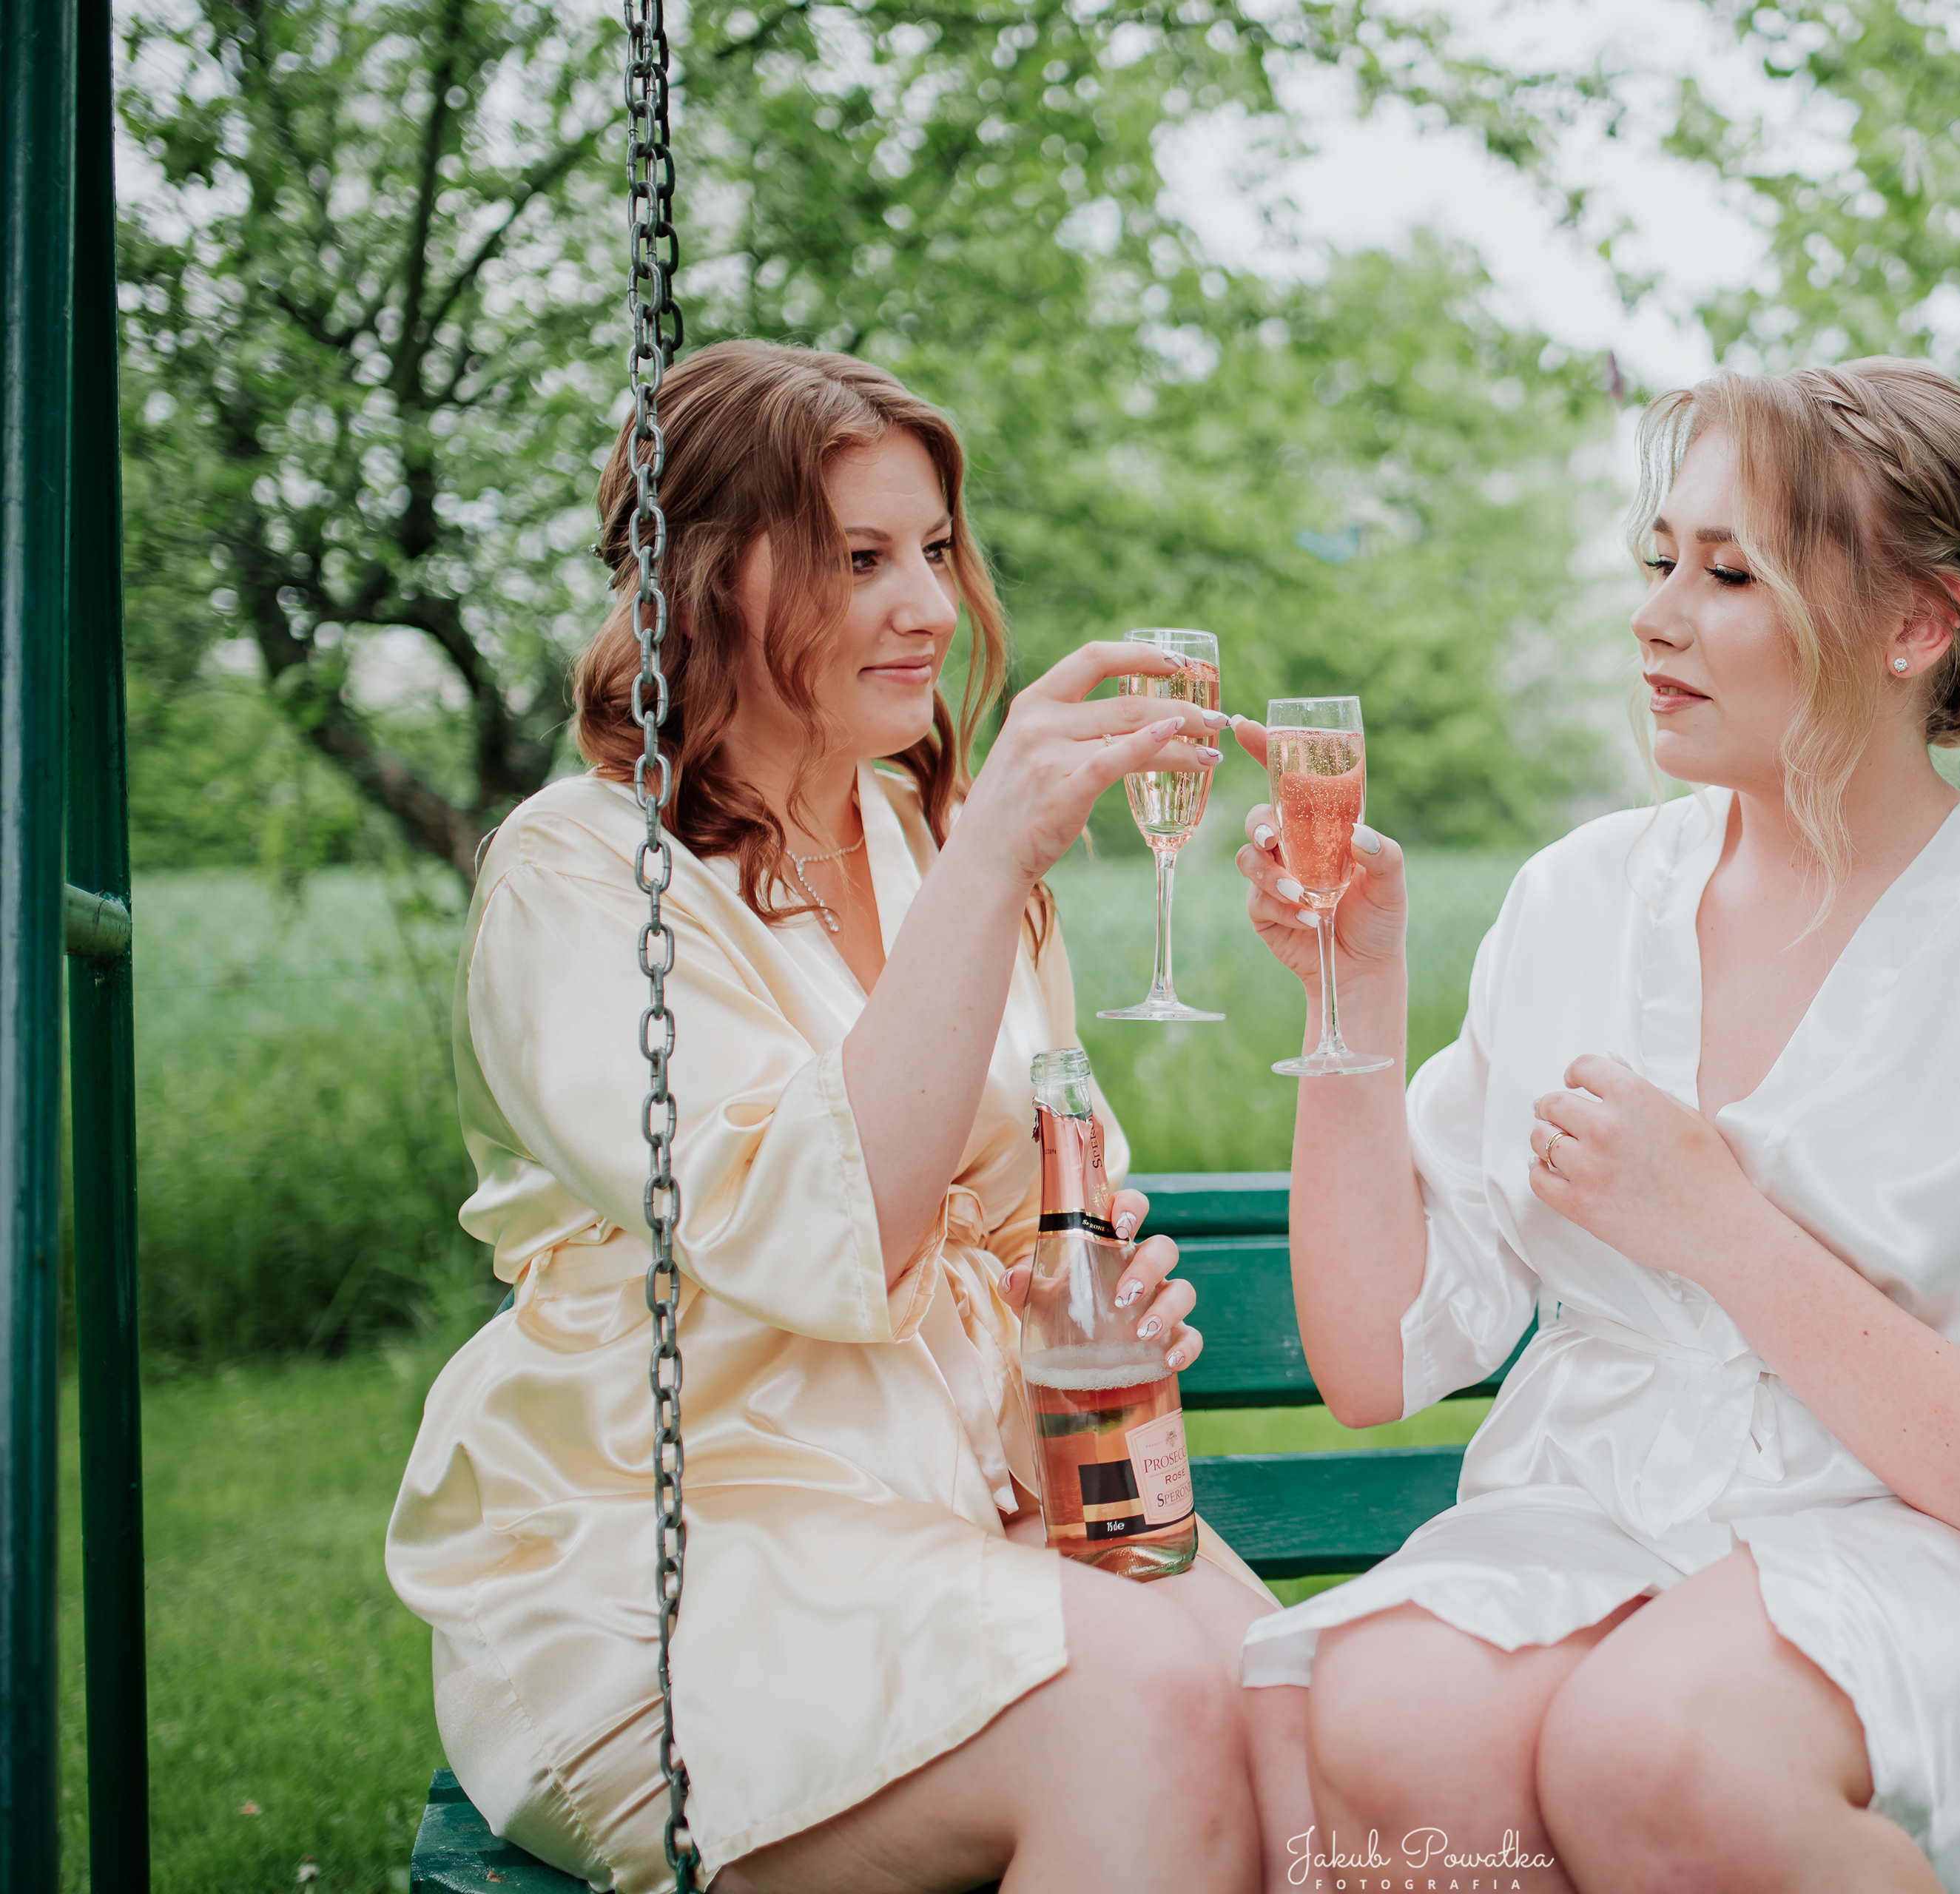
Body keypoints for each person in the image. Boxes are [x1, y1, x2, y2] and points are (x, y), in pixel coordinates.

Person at [1227, 360, 1960, 1894]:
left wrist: (1725, 1231)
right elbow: (1371, 1358)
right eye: (1660, 560)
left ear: (1916, 624)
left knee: (1656, 1747)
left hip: (1921, 1547)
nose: (1657, 616)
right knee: (1392, 1713)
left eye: (1730, 573)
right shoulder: (1577, 898)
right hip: (1595, 1507)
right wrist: (1349, 997)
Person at [387, 340, 1296, 1894]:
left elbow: (1030, 1187)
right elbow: (838, 1231)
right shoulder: (582, 874)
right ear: (703, 582)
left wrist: (1085, 1278)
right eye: (860, 558)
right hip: (691, 1554)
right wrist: (997, 852)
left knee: (1301, 1720)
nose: (930, 606)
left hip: (982, 1496)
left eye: (935, 549)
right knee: (1145, 1708)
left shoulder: (921, 832)